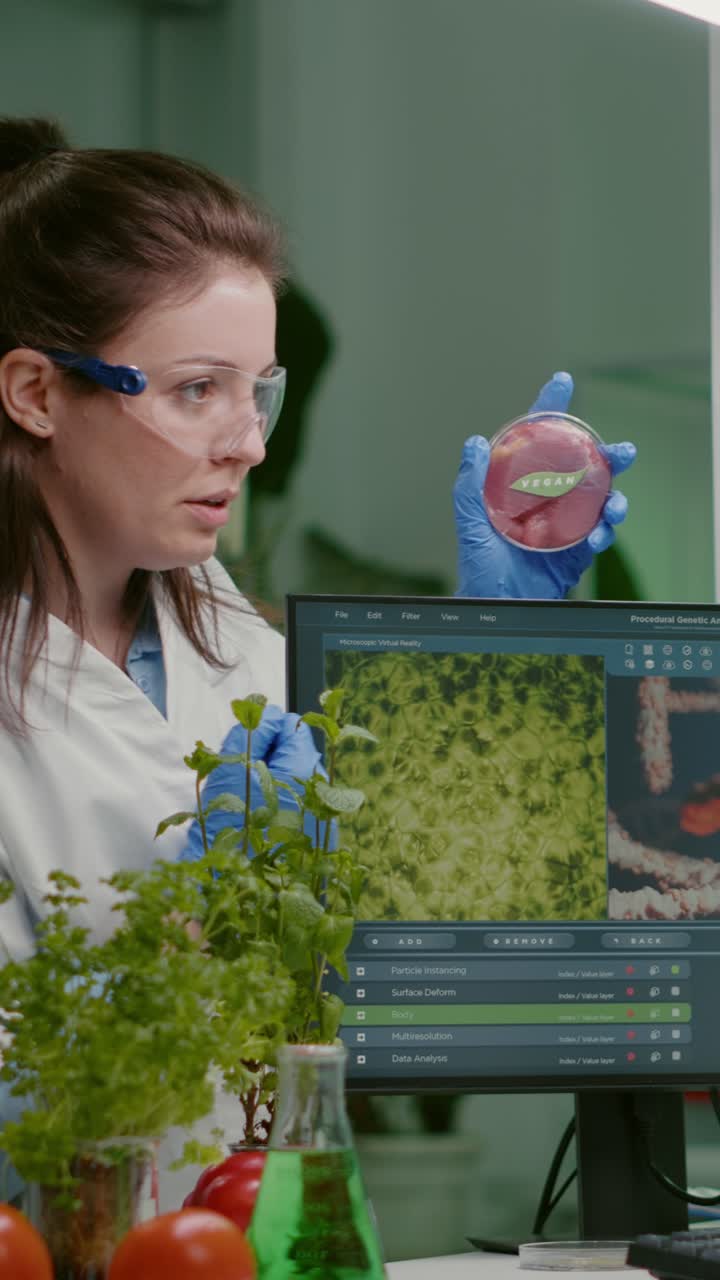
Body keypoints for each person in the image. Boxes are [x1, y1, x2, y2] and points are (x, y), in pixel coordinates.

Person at [0, 115, 634, 1196]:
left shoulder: (242, 651)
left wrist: (491, 649)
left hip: (230, 1242)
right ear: (36, 391)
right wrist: (204, 914)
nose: (249, 440)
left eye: (261, 390)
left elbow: (436, 960)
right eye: (198, 389)